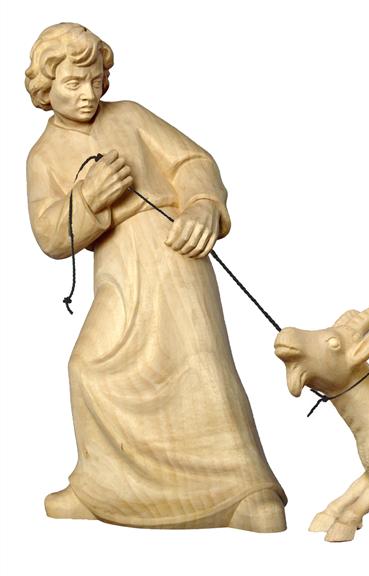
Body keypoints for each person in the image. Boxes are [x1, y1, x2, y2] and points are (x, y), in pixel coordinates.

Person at [25, 22, 286, 532]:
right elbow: (51, 237)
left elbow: (192, 161)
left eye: (95, 81)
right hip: (118, 269)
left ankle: (246, 492)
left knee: (198, 361)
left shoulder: (131, 116)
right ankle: (104, 486)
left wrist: (203, 205)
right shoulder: (43, 156)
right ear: (45, 88)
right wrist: (89, 199)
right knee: (89, 367)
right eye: (73, 84)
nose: (88, 94)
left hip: (172, 250)